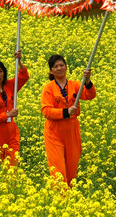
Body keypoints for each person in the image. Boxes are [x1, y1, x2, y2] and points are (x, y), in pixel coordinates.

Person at [40, 54, 95, 185]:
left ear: (66, 67)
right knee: (58, 171)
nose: (59, 68)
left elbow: (90, 95)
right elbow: (46, 111)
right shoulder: (48, 88)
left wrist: (87, 81)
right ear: (51, 71)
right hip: (54, 132)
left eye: (61, 65)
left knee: (72, 170)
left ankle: (70, 199)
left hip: (72, 131)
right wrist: (65, 112)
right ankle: (60, 198)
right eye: (56, 66)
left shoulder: (75, 85)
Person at [0, 52, 29, 169]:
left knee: (12, 166)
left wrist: (19, 61)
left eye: (0, 71)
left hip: (11, 133)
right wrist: (7, 114)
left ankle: (11, 186)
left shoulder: (9, 86)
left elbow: (23, 76)